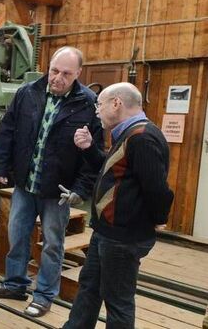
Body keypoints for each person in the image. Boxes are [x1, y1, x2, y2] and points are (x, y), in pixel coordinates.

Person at [0, 46, 103, 318]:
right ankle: (15, 284)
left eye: (66, 73)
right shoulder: (28, 92)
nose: (57, 78)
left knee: (52, 244)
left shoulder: (88, 102)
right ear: (47, 67)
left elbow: (92, 154)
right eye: (54, 71)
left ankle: (44, 295)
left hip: (58, 191)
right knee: (17, 236)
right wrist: (0, 166)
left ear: (78, 74)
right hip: (26, 184)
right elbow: (8, 131)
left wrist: (80, 190)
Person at [63, 83, 174, 329]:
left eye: (99, 105)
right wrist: (89, 149)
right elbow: (113, 171)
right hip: (106, 233)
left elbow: (158, 189)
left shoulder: (142, 137)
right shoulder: (127, 132)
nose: (97, 111)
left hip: (122, 238)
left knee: (118, 303)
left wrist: (158, 217)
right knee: (89, 289)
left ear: (117, 103)